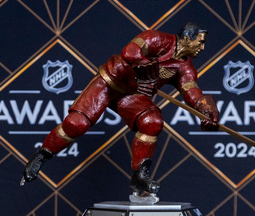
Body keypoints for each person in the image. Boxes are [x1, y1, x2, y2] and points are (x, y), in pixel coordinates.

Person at [20, 22, 219, 197]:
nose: (202, 48)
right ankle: (40, 157)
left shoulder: (185, 68)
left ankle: (139, 176)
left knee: (153, 122)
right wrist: (149, 65)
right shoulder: (157, 38)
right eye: (200, 42)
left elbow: (192, 92)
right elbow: (129, 52)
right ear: (186, 38)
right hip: (110, 82)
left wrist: (206, 109)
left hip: (133, 96)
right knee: (76, 125)